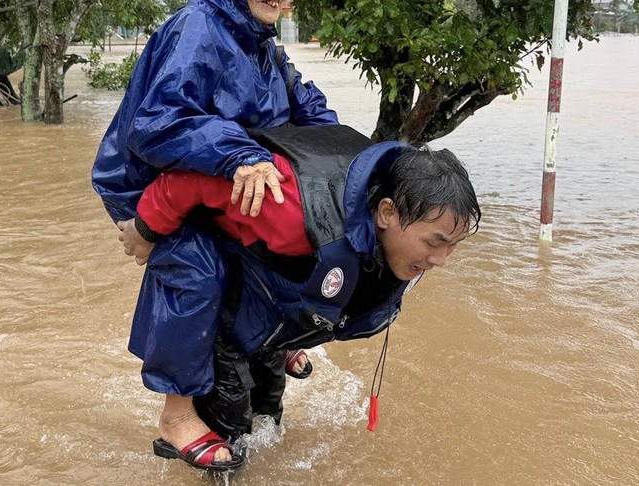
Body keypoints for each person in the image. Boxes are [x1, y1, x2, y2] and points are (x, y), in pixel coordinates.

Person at [91, 0, 338, 472]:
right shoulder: (197, 30)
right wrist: (240, 153)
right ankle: (177, 415)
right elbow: (157, 125)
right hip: (150, 180)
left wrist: (345, 158)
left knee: (284, 241)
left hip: (222, 182)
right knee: (201, 271)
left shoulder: (261, 45)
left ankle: (274, 335)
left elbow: (309, 109)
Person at [119, 124, 481, 469]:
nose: (441, 260)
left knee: (268, 419)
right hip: (219, 277)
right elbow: (190, 181)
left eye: (452, 246)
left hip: (268, 290)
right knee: (230, 436)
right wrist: (146, 229)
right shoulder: (290, 205)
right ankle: (178, 421)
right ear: (386, 212)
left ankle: (282, 346)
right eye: (435, 242)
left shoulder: (397, 247)